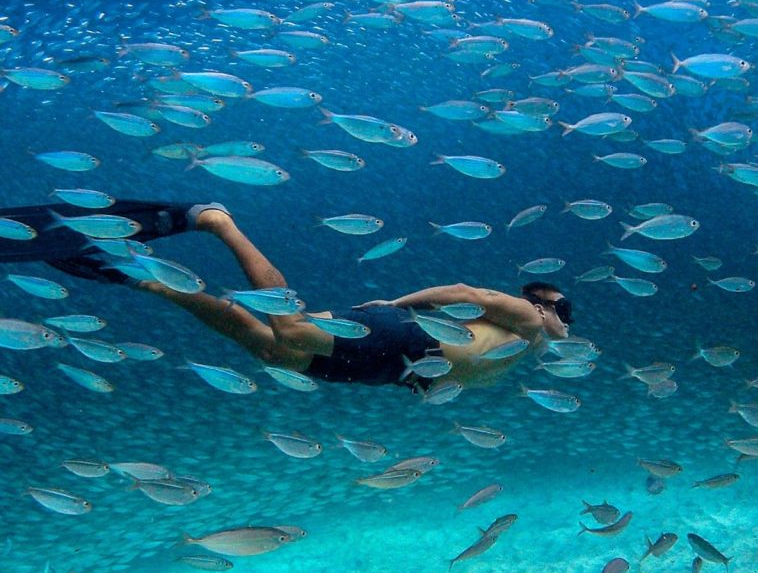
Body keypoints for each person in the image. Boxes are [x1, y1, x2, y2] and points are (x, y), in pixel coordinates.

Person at [0, 200, 573, 394]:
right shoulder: (529, 315)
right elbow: (462, 292)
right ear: (550, 306)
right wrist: (395, 306)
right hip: (408, 334)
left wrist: (424, 390)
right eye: (563, 315)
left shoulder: (524, 354)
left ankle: (147, 280)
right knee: (291, 328)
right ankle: (219, 222)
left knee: (274, 352)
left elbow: (458, 372)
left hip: (393, 370)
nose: (565, 327)